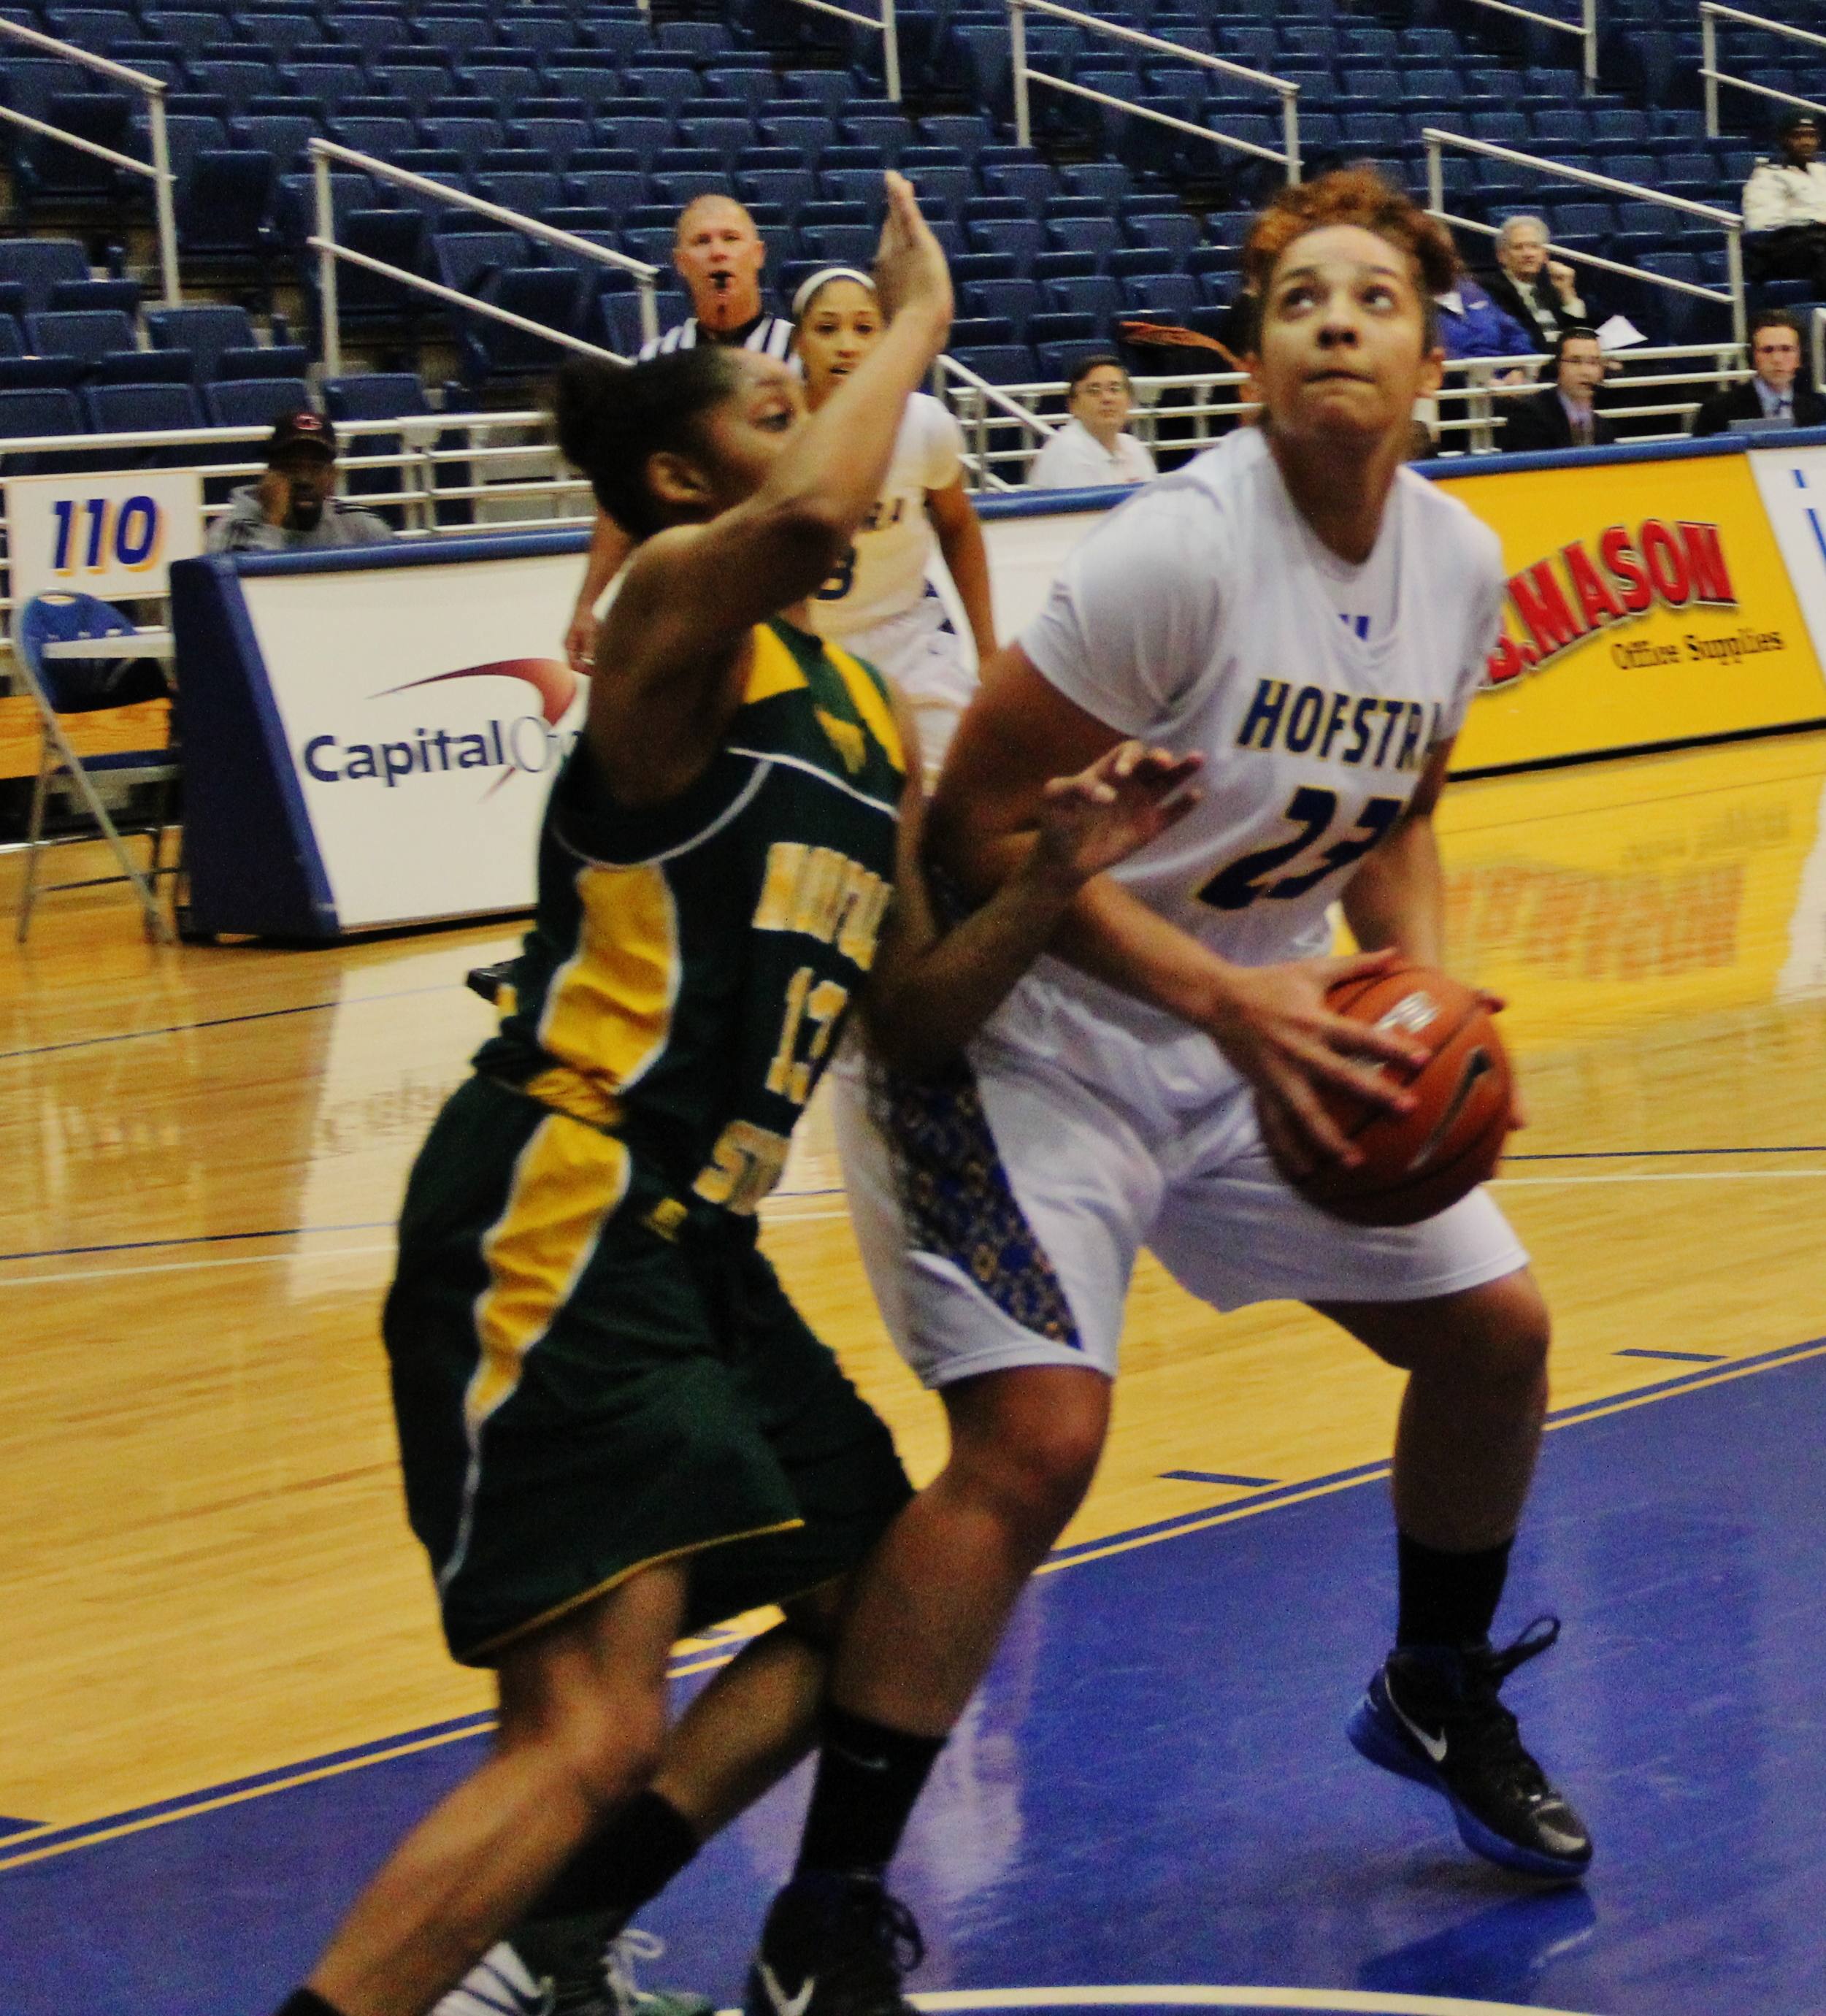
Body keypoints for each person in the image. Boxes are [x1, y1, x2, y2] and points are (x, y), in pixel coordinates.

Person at [266, 174, 1196, 2016]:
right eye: (778, 402)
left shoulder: (858, 717)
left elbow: (909, 1022)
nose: (820, 412)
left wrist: (1045, 880)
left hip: (694, 1243)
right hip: (562, 1195)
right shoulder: (670, 622)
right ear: (682, 481)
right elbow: (816, 512)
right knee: (590, 1725)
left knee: (875, 1606)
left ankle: (550, 1945)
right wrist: (913, 320)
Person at [830, 167, 1593, 1915]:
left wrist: (1428, 993)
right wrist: (1220, 999)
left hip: (1260, 1021)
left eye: (1375, 300)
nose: (1335, 322)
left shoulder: (1458, 562)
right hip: (1030, 1035)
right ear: (1250, 366)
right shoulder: (1178, 549)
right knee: (1035, 1442)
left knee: (1494, 1337)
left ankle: (1434, 1683)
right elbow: (971, 831)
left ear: (1431, 366)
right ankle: (835, 1898)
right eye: (1298, 300)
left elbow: (1400, 807)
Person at [564, 195, 796, 674]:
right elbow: (621, 499)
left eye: (730, 239)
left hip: (786, 580)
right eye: (702, 242)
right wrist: (588, 601)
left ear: (757, 254)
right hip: (690, 590)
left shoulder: (802, 352)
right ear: (682, 263)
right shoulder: (655, 364)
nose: (717, 252)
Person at [791, 264, 997, 781]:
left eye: (864, 328)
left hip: (905, 636)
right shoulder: (767, 429)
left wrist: (988, 650)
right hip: (799, 644)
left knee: (968, 780)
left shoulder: (924, 423)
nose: (846, 345)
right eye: (827, 328)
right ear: (798, 342)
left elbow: (957, 526)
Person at [206, 412, 394, 553]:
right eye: (292, 467)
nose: (304, 480)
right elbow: (251, 590)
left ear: (332, 475)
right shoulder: (231, 531)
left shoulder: (361, 527)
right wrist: (273, 524)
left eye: (316, 468)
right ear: (270, 474)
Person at [1028, 354, 1159, 490]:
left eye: (1115, 389)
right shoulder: (1067, 450)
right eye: (1094, 391)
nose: (1107, 398)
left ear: (1130, 401)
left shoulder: (1132, 446)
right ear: (1073, 405)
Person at [1692, 309, 1826, 434]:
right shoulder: (1717, 411)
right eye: (1767, 350)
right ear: (1752, 357)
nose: (1777, 359)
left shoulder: (1818, 409)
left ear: (1800, 357)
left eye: (1786, 349)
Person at [1479, 215, 1592, 353]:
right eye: (1518, 247)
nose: (1528, 254)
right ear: (1501, 256)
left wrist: (1568, 295)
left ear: (1545, 255)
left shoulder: (1554, 286)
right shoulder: (1490, 290)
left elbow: (1579, 337)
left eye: (1534, 247)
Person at [1742, 111, 1826, 293]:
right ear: (1784, 140)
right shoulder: (1767, 176)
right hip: (1789, 248)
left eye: (1811, 136)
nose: (1806, 142)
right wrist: (1813, 223)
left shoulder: (1822, 172)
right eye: (1798, 136)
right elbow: (1764, 225)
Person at [1501, 326, 1616, 451]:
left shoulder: (1602, 426)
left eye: (1593, 362)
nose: (1586, 371)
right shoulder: (1528, 414)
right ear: (1558, 366)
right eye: (1575, 361)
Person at [1432, 267, 1533, 362]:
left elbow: (1513, 331)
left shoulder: (1471, 290)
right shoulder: (1425, 310)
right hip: (1459, 371)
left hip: (1508, 369)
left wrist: (1520, 367)